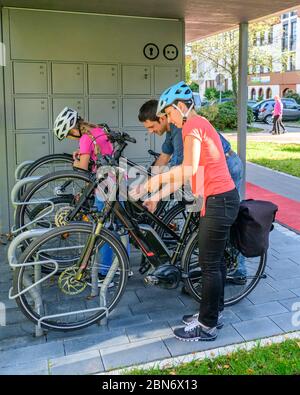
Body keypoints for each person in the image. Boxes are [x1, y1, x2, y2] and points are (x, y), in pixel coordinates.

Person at [130, 81, 240, 341]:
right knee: (215, 262)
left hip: (219, 200)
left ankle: (206, 326)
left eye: (167, 113)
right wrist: (156, 196)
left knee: (209, 264)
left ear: (180, 107)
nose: (168, 119)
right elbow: (185, 177)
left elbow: (187, 170)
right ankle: (213, 314)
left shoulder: (192, 126)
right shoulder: (196, 124)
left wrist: (150, 183)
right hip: (218, 199)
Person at [139, 99, 246, 284]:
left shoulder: (184, 128)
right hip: (210, 175)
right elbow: (163, 159)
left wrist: (153, 186)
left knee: (226, 222)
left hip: (228, 167)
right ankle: (205, 250)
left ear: (163, 118)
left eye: (151, 126)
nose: (150, 132)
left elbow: (182, 169)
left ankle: (239, 269)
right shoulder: (173, 128)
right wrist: (148, 183)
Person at [53, 107, 122, 283]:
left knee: (103, 228)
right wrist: (82, 154)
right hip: (117, 178)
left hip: (104, 185)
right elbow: (97, 153)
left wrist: (76, 160)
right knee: (119, 227)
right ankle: (122, 267)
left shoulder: (84, 138)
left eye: (68, 134)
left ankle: (105, 273)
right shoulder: (97, 129)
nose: (70, 138)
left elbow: (82, 169)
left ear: (73, 129)